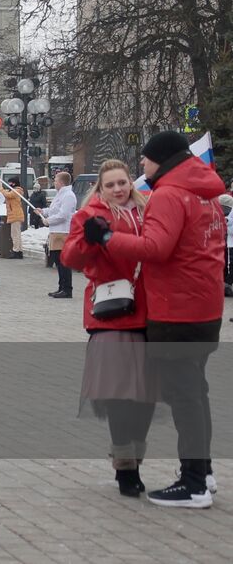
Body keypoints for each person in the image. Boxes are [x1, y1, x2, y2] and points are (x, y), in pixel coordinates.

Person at [83, 130, 225, 507]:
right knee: (197, 392)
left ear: (162, 158)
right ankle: (204, 472)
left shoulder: (169, 194)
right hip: (206, 308)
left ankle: (193, 483)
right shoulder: (205, 194)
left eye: (145, 159)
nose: (141, 166)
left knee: (185, 398)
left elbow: (155, 248)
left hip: (176, 311)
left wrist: (108, 238)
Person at [61, 159, 155, 497]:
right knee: (119, 395)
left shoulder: (149, 210)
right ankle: (125, 468)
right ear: (100, 188)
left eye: (122, 182)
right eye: (110, 184)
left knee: (145, 396)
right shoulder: (90, 215)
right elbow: (70, 258)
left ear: (131, 182)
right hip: (111, 312)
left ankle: (136, 458)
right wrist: (91, 239)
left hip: (149, 311)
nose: (118, 189)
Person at [42, 171, 78, 298]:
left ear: (62, 182)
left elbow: (63, 215)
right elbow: (54, 210)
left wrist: (48, 220)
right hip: (56, 231)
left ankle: (67, 289)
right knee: (58, 261)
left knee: (63, 262)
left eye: (56, 180)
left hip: (63, 231)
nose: (54, 182)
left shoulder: (68, 195)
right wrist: (44, 212)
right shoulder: (60, 195)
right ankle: (61, 287)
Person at [0, 177, 26, 259]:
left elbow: (8, 195)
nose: (9, 184)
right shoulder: (14, 190)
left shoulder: (17, 190)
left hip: (16, 215)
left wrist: (1, 189)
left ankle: (16, 251)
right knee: (16, 234)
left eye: (10, 182)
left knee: (15, 235)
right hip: (14, 215)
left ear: (14, 183)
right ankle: (19, 250)